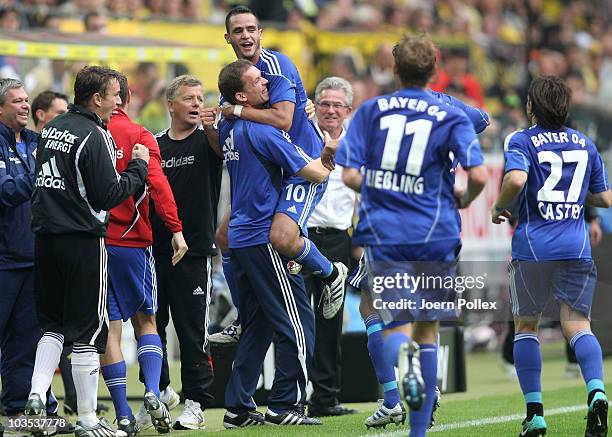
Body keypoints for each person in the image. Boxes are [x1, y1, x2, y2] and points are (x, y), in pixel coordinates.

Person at [336, 35, 487, 437]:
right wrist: (462, 196)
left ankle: (402, 367)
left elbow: (350, 174)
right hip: (436, 233)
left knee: (395, 322)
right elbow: (481, 176)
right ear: (434, 71)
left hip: (386, 232)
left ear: (394, 69)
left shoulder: (371, 112)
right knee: (428, 329)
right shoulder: (449, 113)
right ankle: (418, 430)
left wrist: (384, 188)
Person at [210, 6, 347, 346]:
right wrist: (209, 126)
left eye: (251, 29)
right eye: (238, 30)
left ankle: (331, 273)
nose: (245, 35)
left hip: (302, 166)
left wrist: (239, 110)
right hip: (269, 169)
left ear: (260, 33)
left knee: (282, 238)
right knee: (224, 236)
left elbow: (284, 120)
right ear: (228, 37)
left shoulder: (276, 66)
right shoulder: (233, 79)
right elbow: (223, 145)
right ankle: (243, 315)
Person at [25, 65, 150, 437]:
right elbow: (106, 195)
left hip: (45, 238)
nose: (118, 103)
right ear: (97, 98)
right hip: (82, 241)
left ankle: (35, 394)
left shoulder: (52, 128)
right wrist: (138, 168)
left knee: (51, 326)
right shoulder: (95, 135)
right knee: (87, 332)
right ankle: (89, 420)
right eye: (115, 96)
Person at [491, 75, 611, 437]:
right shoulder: (585, 143)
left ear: (531, 107)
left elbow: (514, 180)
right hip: (575, 248)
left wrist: (499, 206)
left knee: (526, 328)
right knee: (578, 324)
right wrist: (573, 200)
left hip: (533, 248)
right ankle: (597, 391)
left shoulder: (522, 140)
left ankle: (536, 414)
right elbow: (604, 198)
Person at [218, 59, 334, 428]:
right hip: (263, 238)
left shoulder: (230, 128)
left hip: (240, 238)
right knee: (293, 323)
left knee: (257, 324)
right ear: (241, 95)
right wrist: (330, 155)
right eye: (256, 81)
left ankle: (237, 407)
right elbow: (313, 172)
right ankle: (285, 405)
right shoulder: (263, 132)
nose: (265, 82)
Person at [101, 73, 188, 435]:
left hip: (98, 244)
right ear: (128, 96)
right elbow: (159, 185)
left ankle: (122, 412)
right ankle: (153, 391)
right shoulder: (139, 135)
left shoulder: (92, 135)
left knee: (110, 330)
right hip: (135, 242)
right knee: (146, 322)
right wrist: (177, 229)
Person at [142, 74, 221, 431]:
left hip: (194, 252)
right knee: (151, 328)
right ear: (170, 104)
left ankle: (195, 402)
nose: (196, 104)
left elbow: (222, 149)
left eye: (200, 98)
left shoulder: (209, 141)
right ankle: (155, 396)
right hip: (154, 252)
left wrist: (214, 128)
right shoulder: (155, 144)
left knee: (192, 332)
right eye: (188, 98)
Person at [0, 79, 69, 434]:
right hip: (3, 260)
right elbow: (6, 192)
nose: (25, 106)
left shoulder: (34, 142)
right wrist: (40, 170)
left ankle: (17, 416)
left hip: (32, 257)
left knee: (25, 346)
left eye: (27, 100)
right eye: (17, 101)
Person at [302, 76, 357, 418]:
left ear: (348, 110)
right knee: (296, 318)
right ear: (315, 105)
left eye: (338, 105)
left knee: (330, 322)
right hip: (301, 235)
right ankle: (290, 396)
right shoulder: (302, 132)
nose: (331, 110)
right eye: (325, 103)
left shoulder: (357, 144)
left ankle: (325, 397)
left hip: (338, 238)